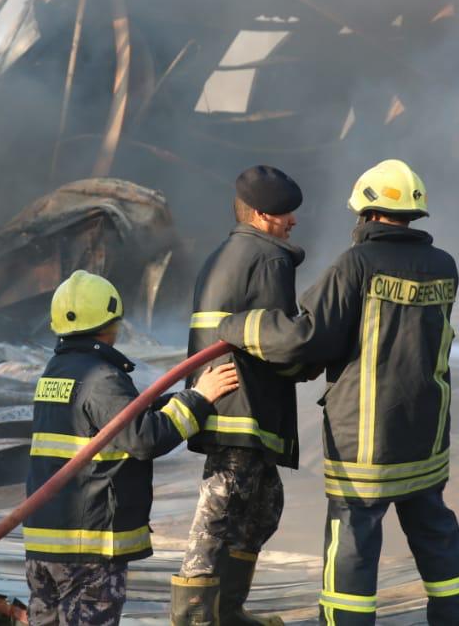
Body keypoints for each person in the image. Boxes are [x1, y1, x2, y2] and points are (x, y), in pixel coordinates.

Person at [214, 160, 459, 625]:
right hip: (426, 434)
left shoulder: (356, 264)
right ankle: (457, 618)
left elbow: (309, 338)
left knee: (353, 542)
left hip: (366, 439)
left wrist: (239, 326)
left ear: (366, 213)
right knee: (434, 532)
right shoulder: (444, 266)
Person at [24, 270, 239, 626]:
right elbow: (144, 438)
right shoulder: (101, 378)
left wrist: (179, 398)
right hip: (87, 547)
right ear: (111, 323)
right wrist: (199, 400)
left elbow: (120, 418)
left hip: (45, 544)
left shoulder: (55, 371)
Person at [175, 166, 307, 626]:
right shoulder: (269, 257)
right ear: (260, 214)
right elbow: (279, 341)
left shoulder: (222, 255)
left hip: (224, 403)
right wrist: (311, 359)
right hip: (244, 406)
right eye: (285, 213)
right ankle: (195, 616)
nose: (292, 221)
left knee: (262, 507)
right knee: (221, 511)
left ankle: (228, 609)